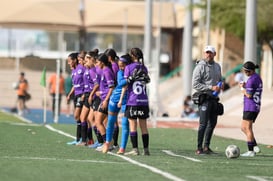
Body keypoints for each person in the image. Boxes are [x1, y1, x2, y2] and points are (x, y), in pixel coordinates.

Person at [192, 45, 222, 155]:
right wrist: (210, 87)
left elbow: (220, 80)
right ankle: (199, 148)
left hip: (214, 99)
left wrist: (220, 85)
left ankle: (206, 147)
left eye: (210, 52)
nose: (208, 54)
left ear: (215, 54)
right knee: (203, 124)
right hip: (204, 98)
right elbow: (195, 84)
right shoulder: (200, 66)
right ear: (204, 54)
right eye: (206, 52)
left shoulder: (218, 66)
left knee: (212, 123)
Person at [102, 54, 132, 154]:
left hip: (126, 100)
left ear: (128, 64)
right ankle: (107, 143)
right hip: (115, 99)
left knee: (125, 124)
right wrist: (130, 79)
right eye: (119, 65)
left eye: (123, 65)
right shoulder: (120, 72)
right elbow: (121, 83)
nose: (121, 67)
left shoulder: (132, 72)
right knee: (110, 121)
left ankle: (122, 148)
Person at [124, 47, 151, 156]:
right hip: (143, 100)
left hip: (133, 101)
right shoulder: (144, 67)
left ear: (133, 56)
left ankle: (135, 149)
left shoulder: (129, 67)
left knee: (133, 125)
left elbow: (125, 83)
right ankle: (146, 149)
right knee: (144, 126)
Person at [239, 61, 263, 157]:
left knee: (247, 128)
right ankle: (255, 145)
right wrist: (247, 86)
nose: (246, 73)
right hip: (254, 106)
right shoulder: (257, 77)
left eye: (247, 71)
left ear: (252, 71)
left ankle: (251, 151)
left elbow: (249, 95)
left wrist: (242, 88)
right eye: (245, 71)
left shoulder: (251, 80)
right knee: (243, 128)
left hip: (250, 106)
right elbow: (253, 88)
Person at [94, 53, 115, 151]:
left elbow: (111, 87)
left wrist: (106, 100)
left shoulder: (107, 71)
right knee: (99, 122)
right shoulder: (104, 70)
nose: (97, 64)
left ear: (102, 62)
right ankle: (107, 143)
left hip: (107, 100)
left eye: (97, 62)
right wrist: (101, 93)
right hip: (104, 99)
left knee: (98, 122)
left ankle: (107, 144)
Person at [66, 51, 85, 145]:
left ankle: (83, 139)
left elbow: (86, 81)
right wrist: (69, 94)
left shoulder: (82, 68)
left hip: (82, 94)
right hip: (76, 94)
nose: (68, 63)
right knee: (78, 117)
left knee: (78, 115)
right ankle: (78, 139)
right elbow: (74, 84)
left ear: (75, 60)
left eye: (69, 61)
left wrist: (84, 94)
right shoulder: (73, 70)